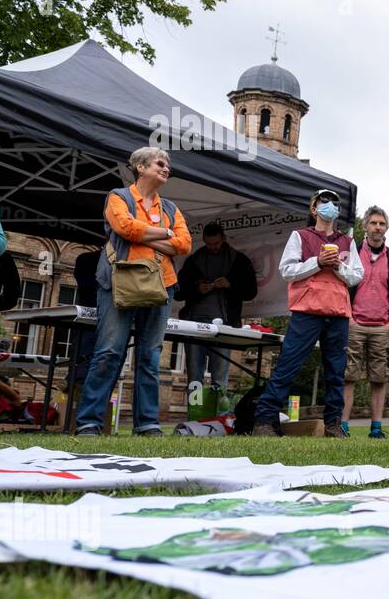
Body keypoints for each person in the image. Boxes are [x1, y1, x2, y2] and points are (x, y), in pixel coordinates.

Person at [75, 147, 192, 436]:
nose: (166, 169)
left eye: (168, 166)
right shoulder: (118, 197)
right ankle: (89, 422)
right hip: (120, 282)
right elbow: (125, 227)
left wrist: (149, 237)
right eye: (160, 164)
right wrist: (165, 234)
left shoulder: (171, 208)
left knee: (150, 357)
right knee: (108, 353)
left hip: (161, 284)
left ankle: (148, 424)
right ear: (140, 167)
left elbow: (186, 245)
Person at [252, 189, 362, 437]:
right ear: (313, 209)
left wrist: (337, 266)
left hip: (337, 312)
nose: (330, 205)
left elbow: (356, 276)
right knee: (288, 366)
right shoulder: (300, 236)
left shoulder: (347, 241)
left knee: (336, 372)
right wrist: (318, 262)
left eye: (334, 202)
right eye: (324, 201)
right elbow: (287, 271)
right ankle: (265, 421)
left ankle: (333, 425)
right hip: (307, 310)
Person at [342, 206, 389, 439]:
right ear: (364, 226)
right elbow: (341, 286)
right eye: (373, 223)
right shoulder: (352, 252)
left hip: (382, 328)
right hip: (354, 324)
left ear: (386, 228)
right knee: (348, 376)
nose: (377, 227)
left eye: (381, 223)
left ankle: (376, 428)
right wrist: (347, 317)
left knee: (379, 378)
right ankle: (343, 427)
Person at [176, 221, 258, 396]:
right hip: (194, 323)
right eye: (209, 244)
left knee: (220, 376)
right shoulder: (194, 260)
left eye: (216, 243)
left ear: (224, 239)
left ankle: (217, 416)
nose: (213, 247)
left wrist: (231, 285)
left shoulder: (239, 260)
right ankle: (195, 414)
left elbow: (251, 291)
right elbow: (177, 291)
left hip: (224, 325)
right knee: (194, 375)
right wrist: (196, 289)